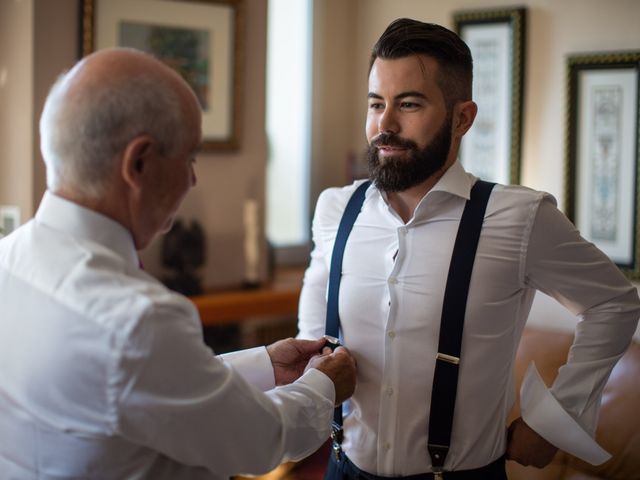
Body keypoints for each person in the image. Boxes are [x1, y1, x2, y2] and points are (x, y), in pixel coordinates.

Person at [297, 18, 640, 480]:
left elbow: (613, 303)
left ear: (462, 117)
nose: (385, 124)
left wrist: (554, 421)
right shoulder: (335, 209)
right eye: (376, 103)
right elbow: (313, 337)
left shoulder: (520, 217)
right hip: (343, 469)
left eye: (409, 104)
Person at [0, 48, 357, 479]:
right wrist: (325, 387)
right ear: (139, 162)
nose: (193, 179)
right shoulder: (136, 318)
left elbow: (134, 388)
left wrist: (265, 366)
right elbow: (257, 441)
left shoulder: (9, 258)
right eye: (189, 158)